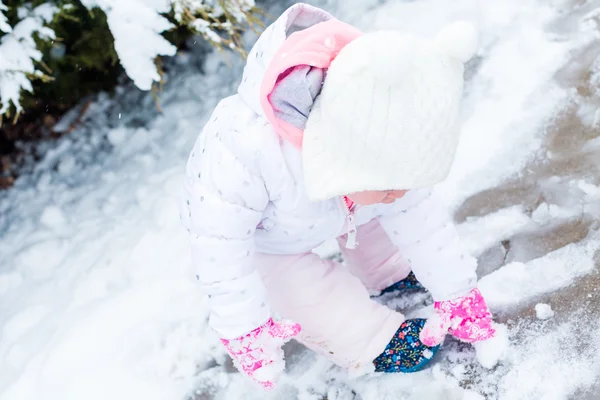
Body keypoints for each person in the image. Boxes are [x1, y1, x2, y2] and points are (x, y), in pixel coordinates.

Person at [180, 2, 496, 391]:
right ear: (343, 157)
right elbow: (219, 249)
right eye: (392, 180)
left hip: (341, 198)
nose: (401, 189)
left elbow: (420, 218)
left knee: (379, 210)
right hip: (270, 238)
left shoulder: (379, 129)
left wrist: (456, 292)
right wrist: (245, 329)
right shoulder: (246, 155)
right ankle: (373, 340)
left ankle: (387, 273)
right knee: (305, 292)